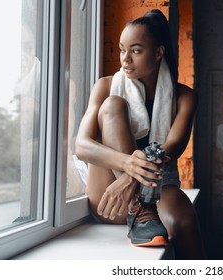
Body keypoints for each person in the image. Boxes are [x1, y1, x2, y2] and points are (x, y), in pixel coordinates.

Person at [75, 9, 205, 259]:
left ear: (158, 53)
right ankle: (139, 207)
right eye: (123, 49)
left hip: (160, 184)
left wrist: (133, 178)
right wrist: (128, 167)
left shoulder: (185, 97)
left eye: (135, 50)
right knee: (113, 104)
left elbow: (174, 147)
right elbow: (82, 145)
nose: (125, 59)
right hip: (110, 193)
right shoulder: (105, 85)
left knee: (185, 221)